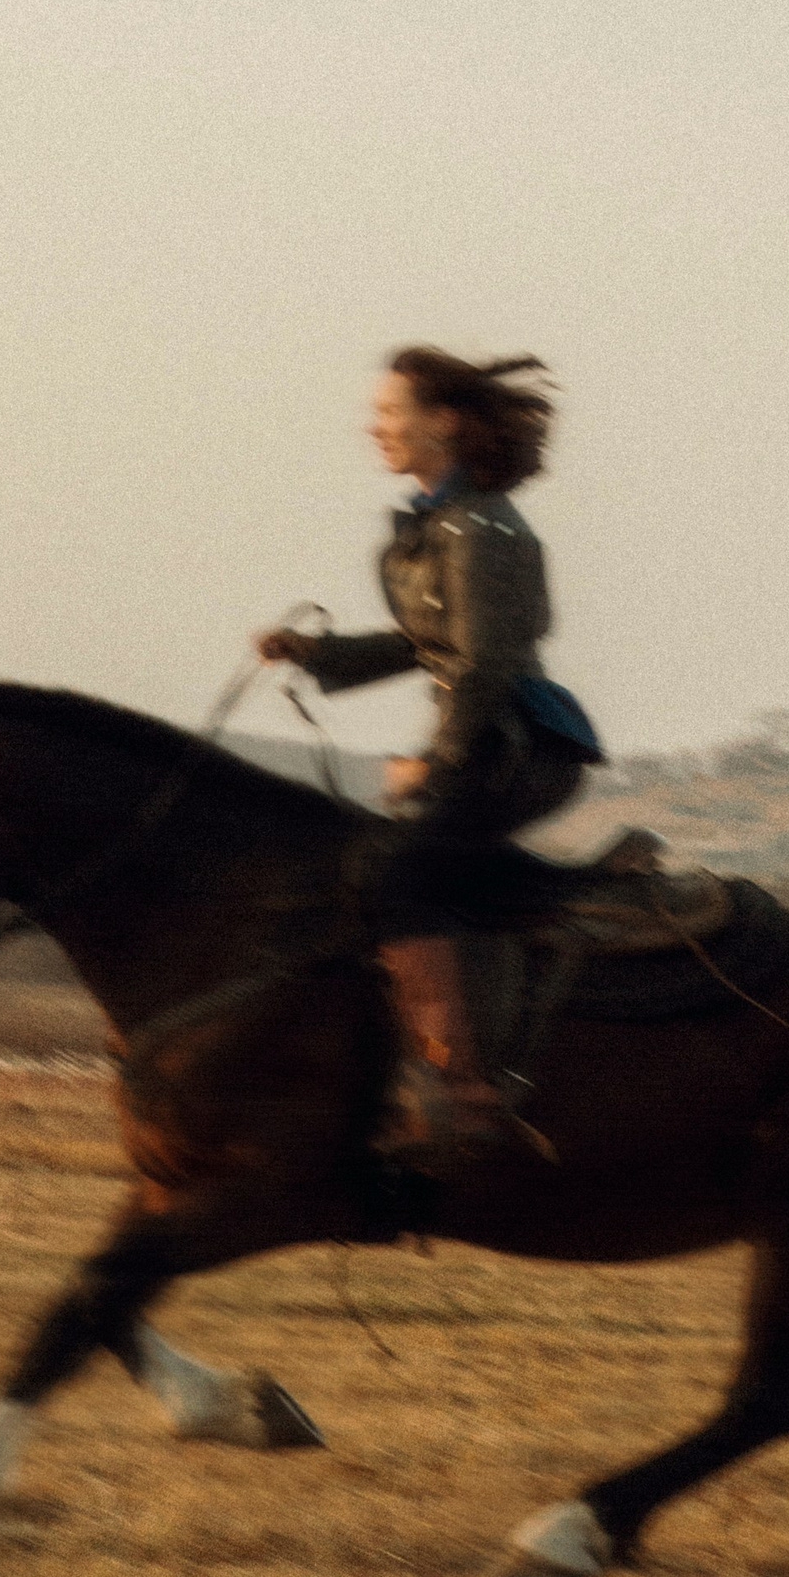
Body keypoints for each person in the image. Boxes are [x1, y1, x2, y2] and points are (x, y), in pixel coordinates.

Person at [257, 346, 603, 1159]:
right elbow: (426, 643)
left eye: (388, 412)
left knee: (395, 874)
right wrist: (315, 653)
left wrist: (435, 765)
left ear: (442, 421)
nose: (373, 427)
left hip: (520, 746)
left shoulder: (482, 526)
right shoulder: (439, 526)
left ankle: (463, 1089)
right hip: (485, 740)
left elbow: (480, 664)